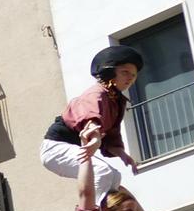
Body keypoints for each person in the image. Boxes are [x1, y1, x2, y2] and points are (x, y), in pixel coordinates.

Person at [42, 44, 143, 196]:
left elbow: (111, 136)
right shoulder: (97, 93)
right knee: (102, 172)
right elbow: (90, 119)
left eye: (133, 75)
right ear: (110, 73)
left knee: (115, 177)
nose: (130, 78)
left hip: (76, 147)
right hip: (56, 148)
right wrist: (95, 140)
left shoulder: (117, 102)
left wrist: (123, 155)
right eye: (125, 72)